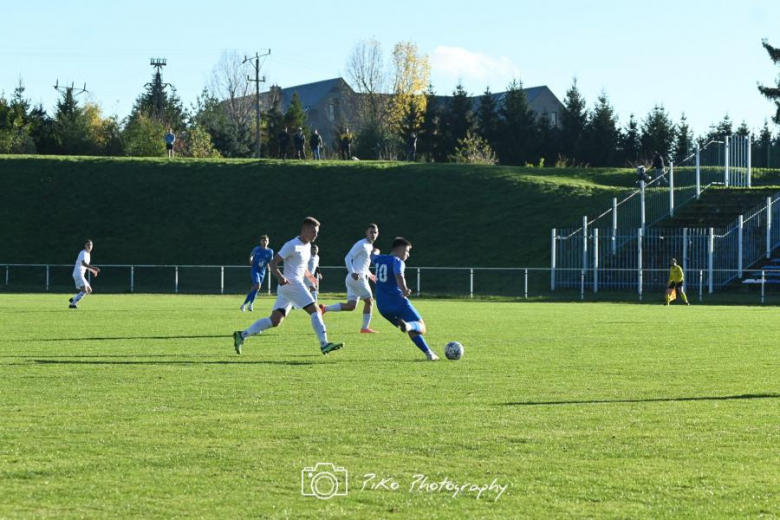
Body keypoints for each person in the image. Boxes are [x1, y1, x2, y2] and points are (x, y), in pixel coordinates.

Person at [233, 217, 343, 356]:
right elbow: (273, 263)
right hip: (292, 284)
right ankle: (324, 344)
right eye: (313, 231)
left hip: (289, 287)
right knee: (316, 310)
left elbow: (302, 267)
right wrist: (280, 277)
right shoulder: (292, 245)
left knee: (275, 320)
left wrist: (311, 278)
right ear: (304, 230)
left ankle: (242, 335)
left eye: (317, 232)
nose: (316, 234)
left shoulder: (308, 245)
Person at [371, 237, 438, 360]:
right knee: (421, 327)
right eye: (407, 251)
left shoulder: (379, 259)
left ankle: (429, 354)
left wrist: (375, 250)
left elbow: (372, 255)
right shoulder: (397, 261)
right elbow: (399, 275)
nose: (408, 255)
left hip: (382, 306)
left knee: (411, 327)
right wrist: (404, 289)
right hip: (397, 302)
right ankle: (408, 326)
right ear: (401, 249)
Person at [321, 224, 379, 333]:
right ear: (366, 232)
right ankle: (365, 328)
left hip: (353, 279)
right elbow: (347, 257)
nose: (373, 234)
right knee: (369, 301)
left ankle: (324, 308)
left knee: (351, 306)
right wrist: (352, 272)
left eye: (375, 232)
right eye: (371, 232)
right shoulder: (361, 244)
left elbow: (363, 265)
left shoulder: (369, 246)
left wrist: (371, 275)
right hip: (358, 279)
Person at [240, 235, 274, 312]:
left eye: (266, 240)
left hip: (262, 272)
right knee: (258, 285)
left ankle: (244, 305)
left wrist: (270, 266)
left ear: (268, 242)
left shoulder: (270, 251)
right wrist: (251, 259)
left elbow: (270, 261)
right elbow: (251, 255)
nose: (264, 242)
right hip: (255, 270)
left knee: (255, 288)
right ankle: (250, 305)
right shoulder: (257, 249)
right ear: (260, 241)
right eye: (263, 240)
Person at [69, 239, 100, 309]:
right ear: (85, 246)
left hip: (80, 274)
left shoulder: (88, 254)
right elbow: (83, 264)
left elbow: (86, 265)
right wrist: (94, 268)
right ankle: (72, 304)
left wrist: (93, 271)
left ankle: (73, 299)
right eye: (88, 245)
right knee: (84, 290)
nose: (90, 246)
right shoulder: (83, 253)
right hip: (78, 273)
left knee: (89, 290)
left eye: (91, 245)